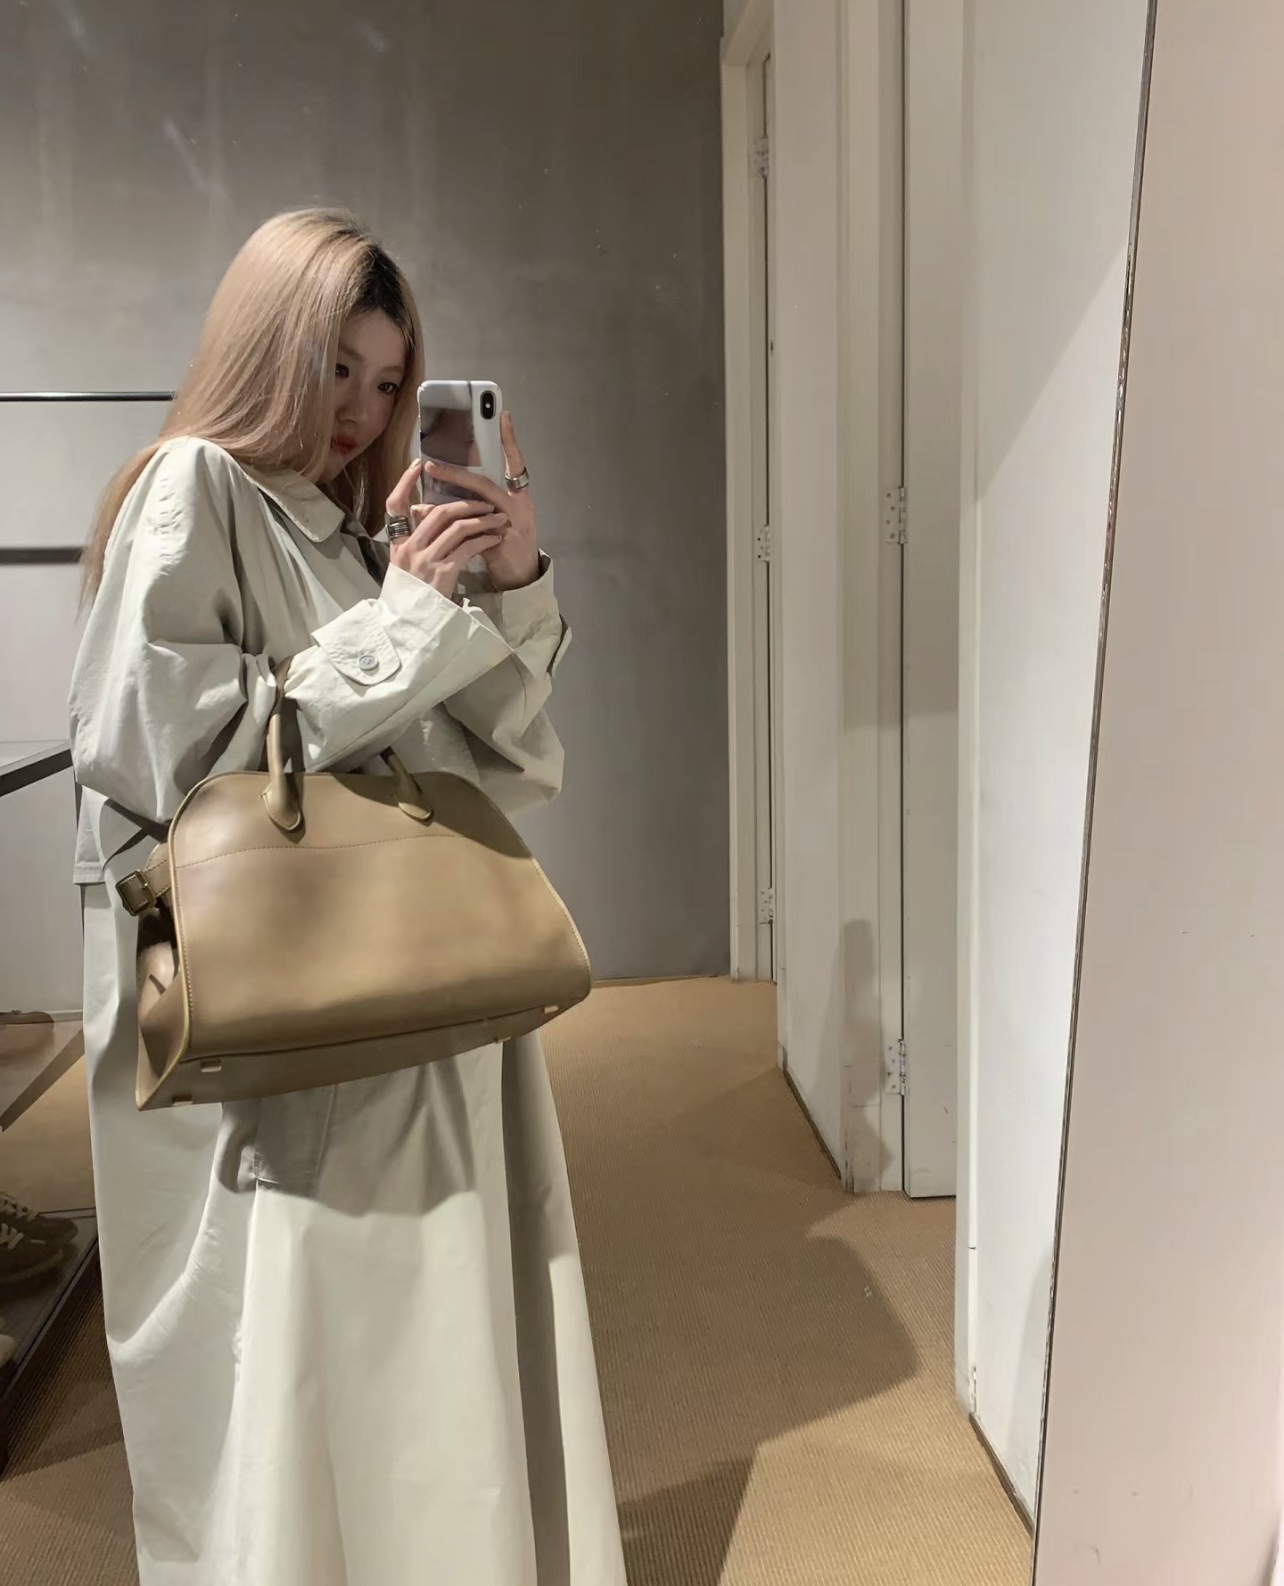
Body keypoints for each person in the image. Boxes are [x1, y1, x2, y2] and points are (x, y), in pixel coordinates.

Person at [68, 208, 626, 1586]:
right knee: (307, 1347)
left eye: (387, 382)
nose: (362, 412)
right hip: (290, 1007)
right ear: (267, 347)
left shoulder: (358, 532)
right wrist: (401, 624)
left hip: (403, 987)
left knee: (419, 1343)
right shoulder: (195, 487)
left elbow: (505, 762)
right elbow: (160, 753)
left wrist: (507, 585)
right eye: (335, 369)